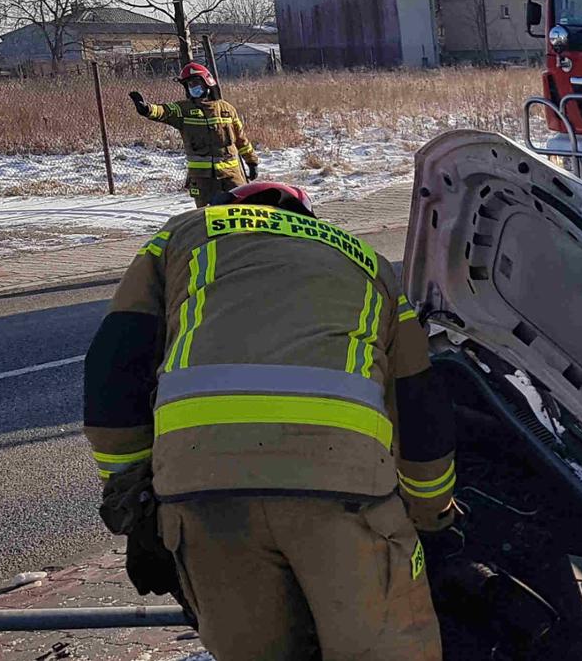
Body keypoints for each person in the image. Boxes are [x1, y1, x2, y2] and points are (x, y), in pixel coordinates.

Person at [83, 181, 455, 661]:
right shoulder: (366, 262)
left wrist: (133, 504)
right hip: (346, 490)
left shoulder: (180, 236)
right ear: (309, 219)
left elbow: (115, 366)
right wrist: (432, 514)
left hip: (202, 493)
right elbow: (418, 399)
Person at [131, 63, 259, 208]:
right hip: (203, 181)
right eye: (189, 85)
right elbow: (163, 111)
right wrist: (147, 109)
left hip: (232, 176)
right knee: (207, 218)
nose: (193, 87)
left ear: (207, 83)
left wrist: (252, 162)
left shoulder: (227, 110)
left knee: (242, 210)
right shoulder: (183, 110)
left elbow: (241, 139)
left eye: (196, 83)